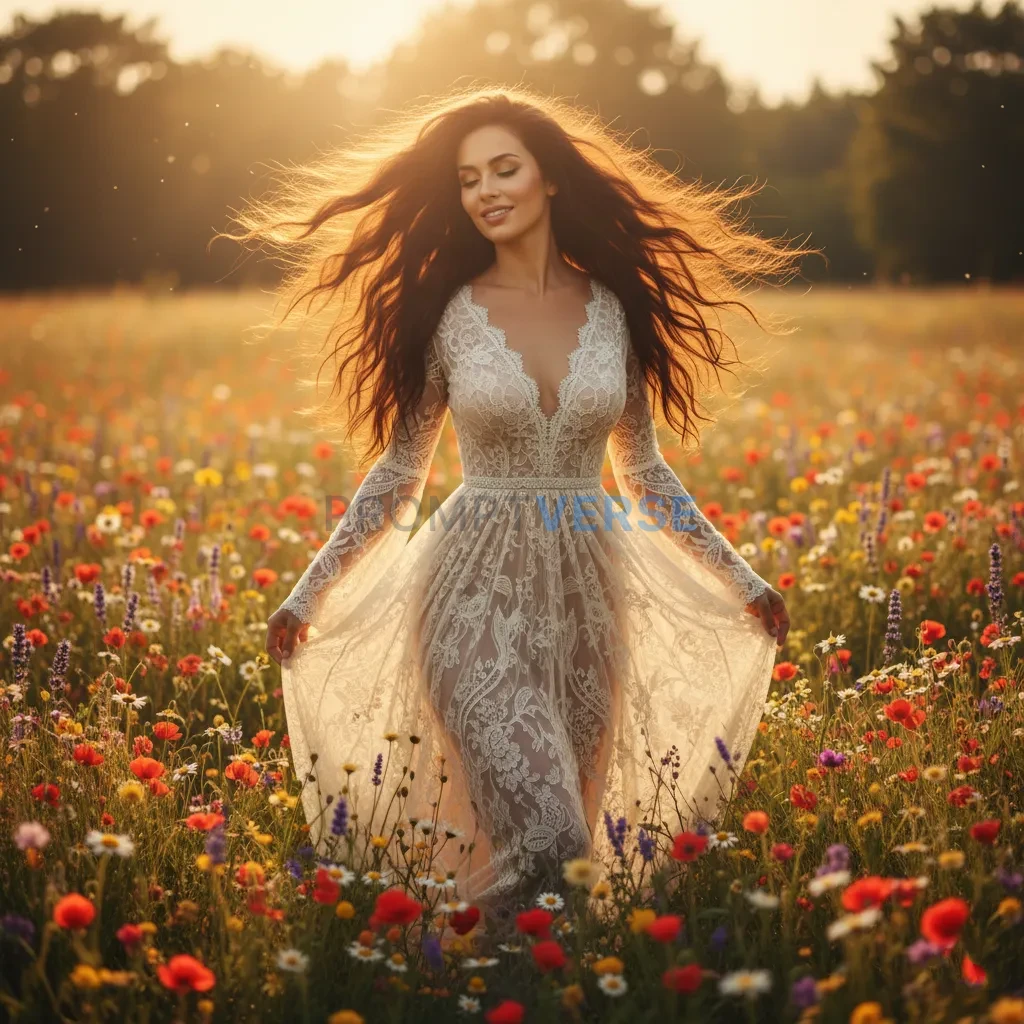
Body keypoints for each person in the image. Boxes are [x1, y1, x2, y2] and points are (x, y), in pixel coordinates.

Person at [221, 85, 804, 934]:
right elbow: (401, 472)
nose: (486, 191)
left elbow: (643, 471)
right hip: (470, 595)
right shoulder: (445, 314)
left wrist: (744, 581)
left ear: (550, 178)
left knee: (568, 868)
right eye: (468, 179)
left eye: (504, 169)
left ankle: (502, 978)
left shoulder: (614, 310)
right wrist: (309, 592)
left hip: (589, 600)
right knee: (550, 837)